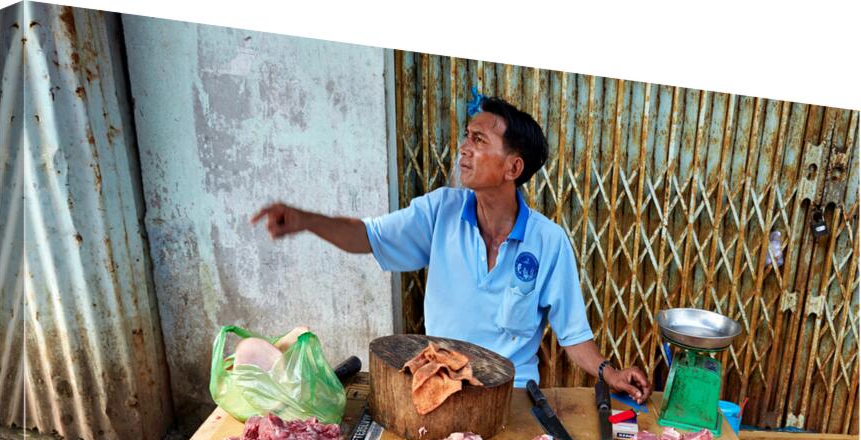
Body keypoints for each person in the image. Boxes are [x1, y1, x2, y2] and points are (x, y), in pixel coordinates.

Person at [252, 97, 651, 403]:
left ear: (513, 168)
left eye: (479, 140)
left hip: (513, 397)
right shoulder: (440, 211)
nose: (464, 148)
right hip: (438, 389)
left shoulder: (548, 241)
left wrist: (609, 372)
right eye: (466, 136)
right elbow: (367, 237)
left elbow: (573, 335)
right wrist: (307, 221)